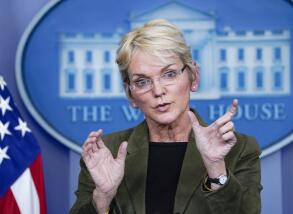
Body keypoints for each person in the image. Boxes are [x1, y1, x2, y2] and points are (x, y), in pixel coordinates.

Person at [70, 19, 262, 214]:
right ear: (130, 94)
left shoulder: (239, 149)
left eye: (169, 74)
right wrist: (102, 197)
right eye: (142, 81)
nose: (158, 90)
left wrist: (216, 170)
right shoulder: (106, 151)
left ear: (193, 77)